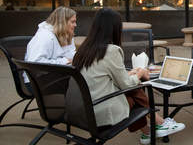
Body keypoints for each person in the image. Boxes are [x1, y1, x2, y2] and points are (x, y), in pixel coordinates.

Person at [72, 8, 185, 145]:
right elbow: (126, 85)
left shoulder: (83, 50)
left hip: (82, 109)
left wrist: (131, 73)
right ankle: (159, 123)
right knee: (135, 88)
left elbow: (100, 77)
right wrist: (141, 73)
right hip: (100, 111)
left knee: (132, 88)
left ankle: (148, 132)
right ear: (114, 28)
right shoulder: (111, 51)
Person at [24, 6, 77, 93]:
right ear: (62, 22)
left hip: (55, 76)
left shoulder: (67, 34)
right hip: (36, 82)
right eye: (73, 22)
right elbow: (35, 63)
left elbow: (70, 55)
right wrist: (64, 61)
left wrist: (80, 57)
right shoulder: (44, 36)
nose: (75, 25)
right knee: (81, 85)